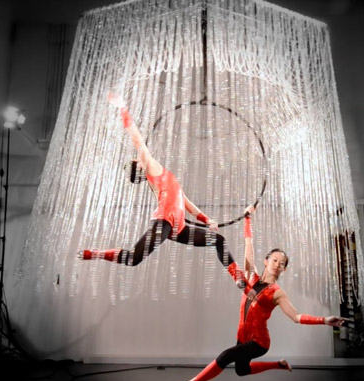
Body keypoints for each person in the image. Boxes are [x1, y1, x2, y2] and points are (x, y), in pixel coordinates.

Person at [161, 204, 345, 381]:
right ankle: (279, 365)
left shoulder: (277, 293)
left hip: (259, 342)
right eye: (274, 260)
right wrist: (247, 219)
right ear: (266, 261)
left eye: (282, 264)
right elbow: (248, 244)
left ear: (284, 270)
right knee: (241, 370)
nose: (277, 265)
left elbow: (296, 317)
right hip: (242, 336)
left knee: (225, 356)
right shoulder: (251, 278)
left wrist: (325, 320)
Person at [78, 92, 246, 288]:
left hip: (179, 228)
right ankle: (96, 253)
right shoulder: (151, 167)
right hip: (164, 222)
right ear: (139, 166)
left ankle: (238, 278)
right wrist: (123, 108)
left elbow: (185, 201)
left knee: (218, 240)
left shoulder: (163, 180)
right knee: (134, 258)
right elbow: (136, 138)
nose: (138, 156)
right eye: (136, 159)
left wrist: (206, 220)